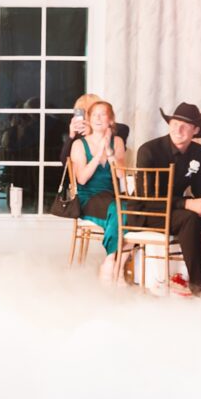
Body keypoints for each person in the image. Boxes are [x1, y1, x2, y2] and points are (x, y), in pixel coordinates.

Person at [133, 103, 201, 297]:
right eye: (174, 124)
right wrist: (189, 204)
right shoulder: (149, 150)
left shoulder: (198, 152)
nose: (178, 129)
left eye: (185, 126)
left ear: (196, 130)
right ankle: (198, 286)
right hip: (147, 211)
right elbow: (147, 197)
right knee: (188, 218)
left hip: (176, 211)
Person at [70, 100, 126, 282]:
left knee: (131, 210)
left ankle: (117, 263)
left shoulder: (117, 142)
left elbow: (120, 174)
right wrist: (97, 154)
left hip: (112, 196)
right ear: (89, 119)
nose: (98, 118)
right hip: (89, 198)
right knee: (117, 210)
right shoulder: (79, 144)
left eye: (103, 114)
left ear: (111, 120)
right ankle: (111, 261)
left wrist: (108, 150)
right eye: (94, 114)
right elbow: (82, 179)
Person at [58, 93, 131, 165]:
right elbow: (65, 162)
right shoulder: (79, 132)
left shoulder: (120, 129)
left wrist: (92, 132)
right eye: (80, 112)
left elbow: (117, 156)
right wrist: (71, 136)